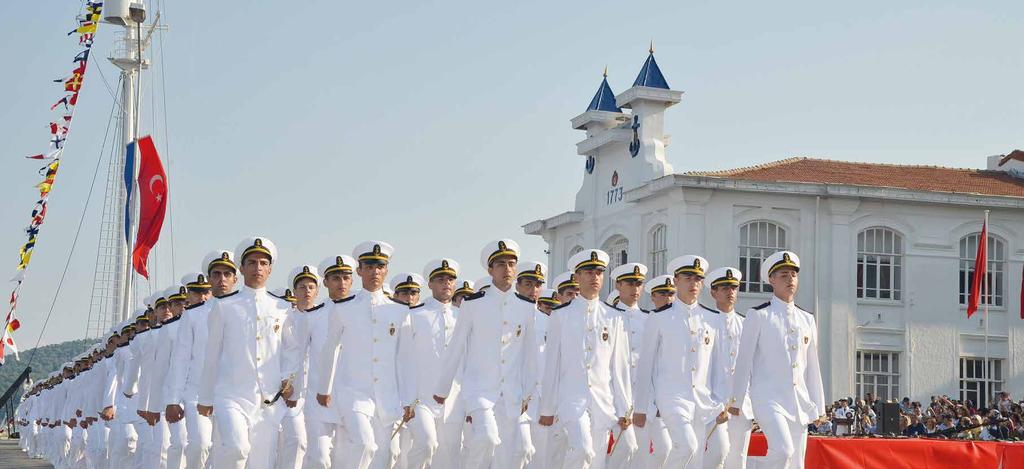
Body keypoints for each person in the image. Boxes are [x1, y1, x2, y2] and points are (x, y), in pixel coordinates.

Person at [434, 239, 539, 469]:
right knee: (487, 438)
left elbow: (530, 355)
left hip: (512, 392)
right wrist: (442, 389)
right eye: (500, 264)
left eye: (512, 263)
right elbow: (456, 347)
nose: (507, 269)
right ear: (490, 270)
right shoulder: (474, 304)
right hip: (479, 389)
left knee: (507, 456)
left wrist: (527, 393)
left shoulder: (526, 306)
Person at [315, 241, 416, 469]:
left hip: (387, 396)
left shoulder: (399, 311)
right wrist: (325, 389)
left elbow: (405, 358)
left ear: (386, 270)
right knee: (364, 445)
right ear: (359, 270)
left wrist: (409, 398)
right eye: (369, 266)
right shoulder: (343, 308)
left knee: (387, 455)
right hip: (353, 392)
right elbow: (330, 349)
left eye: (380, 266)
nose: (375, 272)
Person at [198, 236, 295, 469]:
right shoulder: (225, 306)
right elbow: (211, 355)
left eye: (263, 263)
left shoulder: (281, 307)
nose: (257, 268)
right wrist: (205, 397)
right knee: (236, 448)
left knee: (262, 462)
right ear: (241, 269)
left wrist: (289, 377)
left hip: (268, 400)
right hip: (231, 395)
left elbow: (291, 348)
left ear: (270, 269)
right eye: (251, 262)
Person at [729, 251, 825, 469]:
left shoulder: (807, 319)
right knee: (782, 450)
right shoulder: (759, 315)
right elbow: (744, 360)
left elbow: (812, 366)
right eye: (783, 275)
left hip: (798, 400)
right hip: (768, 398)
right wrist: (736, 400)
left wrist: (819, 405)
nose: (790, 279)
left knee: (796, 462)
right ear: (771, 280)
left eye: (793, 274)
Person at [539, 249, 633, 469]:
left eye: (599, 272)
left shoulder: (614, 317)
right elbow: (552, 364)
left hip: (602, 401)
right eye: (588, 272)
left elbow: (619, 367)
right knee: (582, 450)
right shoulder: (561, 315)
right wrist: (547, 408)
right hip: (571, 401)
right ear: (577, 277)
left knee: (597, 460)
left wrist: (625, 408)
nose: (594, 277)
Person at [634, 255, 720, 469]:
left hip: (702, 399)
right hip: (671, 397)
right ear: (676, 280)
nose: (693, 284)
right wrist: (641, 406)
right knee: (686, 446)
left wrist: (722, 400)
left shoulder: (712, 318)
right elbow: (646, 365)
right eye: (688, 278)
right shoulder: (659, 318)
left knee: (696, 459)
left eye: (698, 279)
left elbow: (717, 366)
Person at [164, 250, 237, 469]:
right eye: (216, 274)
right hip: (196, 392)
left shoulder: (243, 310)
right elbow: (181, 359)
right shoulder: (193, 315)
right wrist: (173, 399)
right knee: (201, 444)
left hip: (231, 393)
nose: (222, 280)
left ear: (236, 278)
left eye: (227, 274)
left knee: (229, 448)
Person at [704, 266, 754, 469]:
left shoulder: (746, 324)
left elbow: (753, 367)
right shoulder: (705, 323)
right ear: (713, 292)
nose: (730, 292)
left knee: (738, 460)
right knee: (717, 453)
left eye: (734, 287)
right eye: (724, 287)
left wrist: (749, 401)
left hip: (742, 405)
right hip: (714, 402)